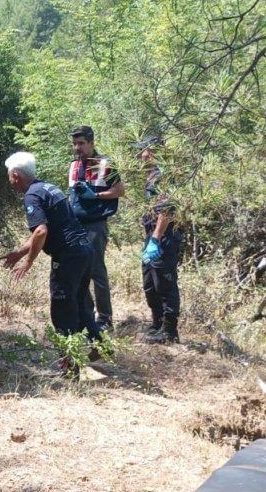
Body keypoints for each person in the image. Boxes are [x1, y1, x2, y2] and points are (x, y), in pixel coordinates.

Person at [0, 151, 102, 347]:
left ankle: (70, 365)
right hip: (84, 251)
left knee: (62, 308)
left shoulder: (31, 196)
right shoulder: (47, 187)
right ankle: (97, 345)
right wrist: (19, 253)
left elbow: (40, 231)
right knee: (80, 303)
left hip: (68, 256)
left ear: (15, 176)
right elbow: (50, 228)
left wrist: (28, 262)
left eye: (9, 175)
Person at [68, 126, 125, 333]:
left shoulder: (104, 164)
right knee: (78, 271)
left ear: (91, 142)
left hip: (95, 224)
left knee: (96, 271)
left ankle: (105, 319)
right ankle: (86, 315)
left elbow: (120, 190)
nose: (77, 148)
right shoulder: (74, 165)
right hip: (75, 225)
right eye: (75, 144)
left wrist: (96, 195)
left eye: (81, 143)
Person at [133, 135, 183, 343]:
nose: (140, 155)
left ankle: (169, 332)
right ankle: (157, 323)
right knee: (150, 283)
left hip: (164, 237)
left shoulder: (165, 175)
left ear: (153, 151)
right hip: (152, 236)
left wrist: (155, 238)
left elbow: (167, 210)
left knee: (164, 283)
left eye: (143, 150)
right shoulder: (152, 175)